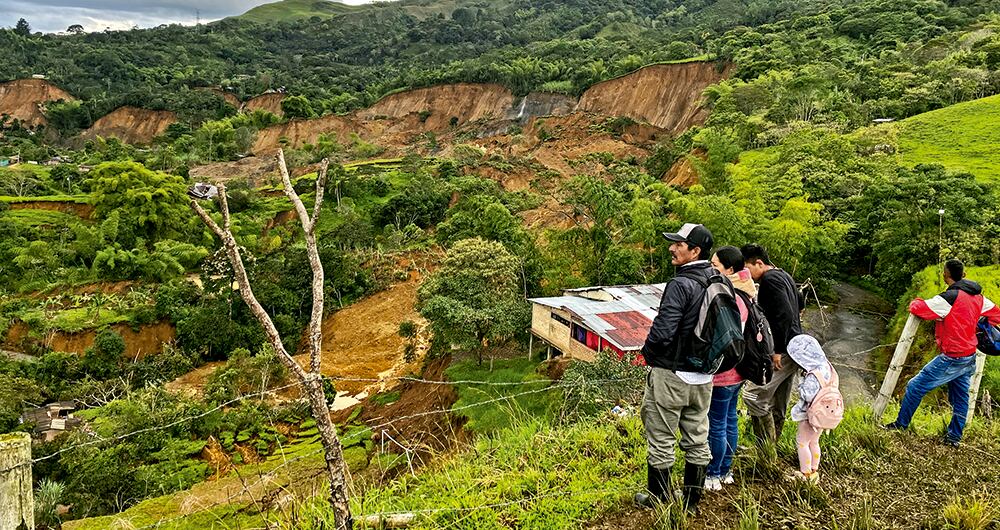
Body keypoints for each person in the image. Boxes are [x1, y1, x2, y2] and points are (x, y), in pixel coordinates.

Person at [634, 223, 722, 512]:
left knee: (661, 436)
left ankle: (658, 499)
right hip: (704, 376)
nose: (672, 248)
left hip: (672, 373)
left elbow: (663, 331)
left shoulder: (680, 284)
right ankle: (691, 503)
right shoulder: (719, 280)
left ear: (695, 251)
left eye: (679, 245)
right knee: (697, 435)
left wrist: (648, 355)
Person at [884, 259, 1000, 446]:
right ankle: (954, 438)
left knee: (915, 386)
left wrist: (917, 299)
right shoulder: (979, 297)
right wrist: (975, 323)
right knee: (962, 397)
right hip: (969, 356)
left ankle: (901, 425)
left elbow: (918, 308)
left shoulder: (949, 298)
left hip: (952, 356)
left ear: (946, 275)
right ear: (964, 274)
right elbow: (996, 315)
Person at [740, 244, 804, 447]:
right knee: (778, 399)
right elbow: (799, 302)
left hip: (783, 350)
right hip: (795, 346)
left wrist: (777, 350)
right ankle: (770, 447)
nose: (745, 274)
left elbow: (783, 314)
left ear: (758, 263)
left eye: (746, 268)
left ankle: (765, 446)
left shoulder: (769, 280)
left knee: (753, 395)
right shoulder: (783, 274)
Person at [704, 246, 755, 491]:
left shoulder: (730, 297)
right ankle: (726, 471)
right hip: (739, 371)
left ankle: (713, 473)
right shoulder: (746, 293)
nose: (710, 268)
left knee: (716, 423)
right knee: (730, 420)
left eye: (715, 265)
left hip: (724, 373)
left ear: (730, 269)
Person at [787, 334, 840, 483]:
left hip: (810, 415)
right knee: (814, 441)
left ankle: (805, 473)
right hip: (825, 414)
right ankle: (814, 469)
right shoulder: (828, 367)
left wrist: (801, 382)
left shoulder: (814, 373)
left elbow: (807, 395)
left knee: (802, 442)